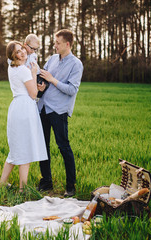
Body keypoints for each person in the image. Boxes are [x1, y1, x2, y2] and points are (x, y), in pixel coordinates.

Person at [36, 29, 83, 197]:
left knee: (64, 147)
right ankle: (46, 182)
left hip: (59, 110)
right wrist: (42, 85)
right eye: (55, 42)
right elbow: (44, 78)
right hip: (43, 108)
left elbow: (71, 89)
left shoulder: (76, 64)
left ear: (67, 44)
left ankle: (70, 186)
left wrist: (51, 80)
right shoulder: (52, 59)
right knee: (43, 147)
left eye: (57, 43)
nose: (54, 45)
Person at [0, 41, 48, 192]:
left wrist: (33, 81)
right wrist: (34, 74)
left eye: (22, 49)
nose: (22, 52)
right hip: (25, 108)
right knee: (25, 149)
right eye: (18, 52)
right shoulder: (24, 70)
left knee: (15, 149)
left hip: (16, 107)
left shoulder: (11, 68)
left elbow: (28, 88)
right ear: (14, 56)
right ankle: (23, 189)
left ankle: (2, 184)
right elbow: (33, 94)